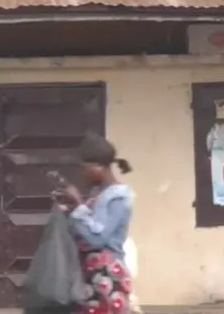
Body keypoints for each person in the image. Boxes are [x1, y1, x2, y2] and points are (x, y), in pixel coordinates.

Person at [54, 133, 134, 314]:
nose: (82, 173)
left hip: (107, 278)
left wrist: (78, 204)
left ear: (99, 167)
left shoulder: (118, 198)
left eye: (84, 167)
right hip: (89, 277)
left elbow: (97, 238)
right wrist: (69, 211)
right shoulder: (98, 194)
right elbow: (87, 227)